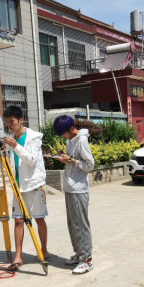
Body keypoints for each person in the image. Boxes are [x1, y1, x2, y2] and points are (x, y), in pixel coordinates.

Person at [3, 106, 49, 272]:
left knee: (39, 219)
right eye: (7, 122)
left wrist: (16, 146)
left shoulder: (34, 138)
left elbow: (31, 160)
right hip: (18, 186)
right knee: (18, 221)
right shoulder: (9, 140)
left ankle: (43, 250)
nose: (10, 125)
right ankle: (18, 256)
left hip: (35, 185)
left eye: (12, 121)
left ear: (21, 120)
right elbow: (12, 163)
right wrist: (6, 150)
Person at [53, 115, 95, 275]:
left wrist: (71, 159)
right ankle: (79, 254)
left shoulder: (81, 140)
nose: (63, 137)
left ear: (72, 128)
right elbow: (72, 159)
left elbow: (90, 165)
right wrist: (64, 157)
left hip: (79, 188)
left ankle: (87, 260)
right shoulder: (70, 140)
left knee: (81, 225)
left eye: (64, 134)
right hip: (70, 187)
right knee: (72, 224)